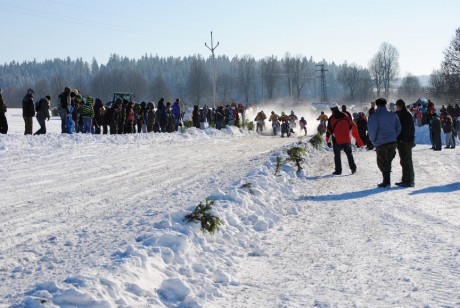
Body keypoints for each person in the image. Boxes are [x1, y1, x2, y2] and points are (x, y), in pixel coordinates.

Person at [368, 98, 401, 188]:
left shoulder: (375, 116)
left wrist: (373, 140)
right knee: (388, 161)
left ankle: (386, 182)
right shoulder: (392, 114)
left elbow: (372, 130)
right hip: (392, 141)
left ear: (376, 105)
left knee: (382, 162)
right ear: (385, 104)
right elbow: (398, 127)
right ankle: (387, 181)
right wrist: (394, 136)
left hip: (381, 142)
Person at [326, 102, 357, 175]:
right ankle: (353, 168)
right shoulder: (346, 115)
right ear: (337, 108)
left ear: (331, 109)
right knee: (349, 154)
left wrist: (328, 141)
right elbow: (350, 125)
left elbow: (329, 131)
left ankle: (338, 171)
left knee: (337, 155)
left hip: (337, 139)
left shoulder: (331, 118)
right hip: (346, 139)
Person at [395, 99, 415, 187]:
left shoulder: (406, 114)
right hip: (401, 141)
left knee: (407, 161)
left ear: (401, 106)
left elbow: (407, 129)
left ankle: (410, 180)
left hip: (406, 141)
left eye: (397, 106)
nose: (396, 108)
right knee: (403, 161)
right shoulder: (400, 113)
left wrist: (403, 139)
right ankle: (405, 179)